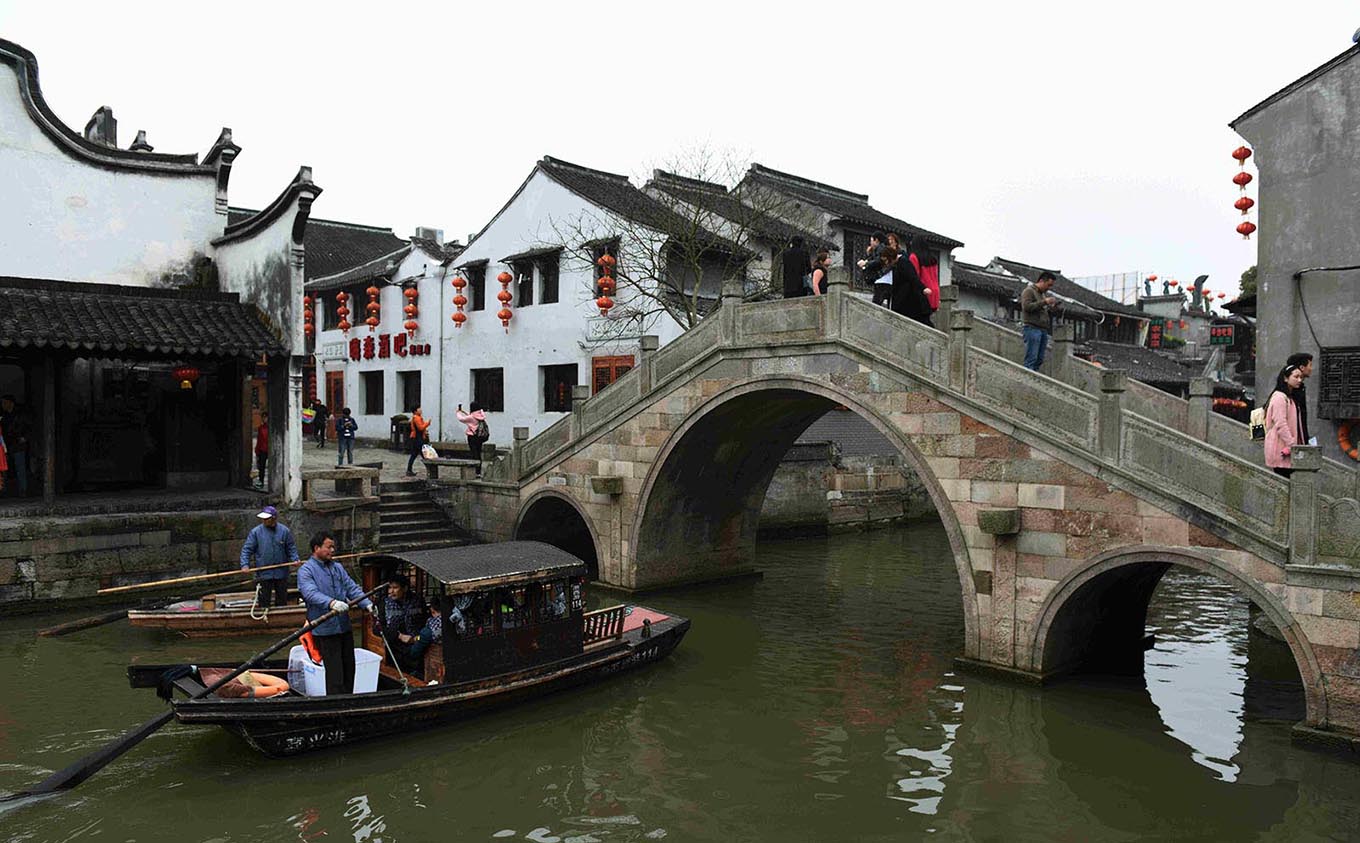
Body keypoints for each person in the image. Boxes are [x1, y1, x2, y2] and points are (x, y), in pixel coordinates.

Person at [297, 531, 375, 695]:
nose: (332, 550)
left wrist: (366, 603)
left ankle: (349, 699)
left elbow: (351, 588)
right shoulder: (306, 570)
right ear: (317, 548)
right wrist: (331, 603)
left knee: (349, 668)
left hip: (343, 626)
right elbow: (310, 593)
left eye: (333, 547)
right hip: (324, 629)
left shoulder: (337, 567)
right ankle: (336, 702)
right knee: (335, 674)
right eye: (328, 547)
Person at [239, 504, 300, 607]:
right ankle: (263, 616)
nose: (264, 521)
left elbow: (291, 548)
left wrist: (295, 559)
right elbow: (247, 550)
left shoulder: (284, 531)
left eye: (266, 518)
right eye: (263, 519)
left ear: (273, 518)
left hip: (281, 572)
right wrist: (245, 565)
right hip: (264, 572)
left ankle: (281, 616)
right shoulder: (256, 532)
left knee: (281, 599)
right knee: (264, 599)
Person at [1265, 364, 1306, 478]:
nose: (1299, 380)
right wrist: (1292, 444)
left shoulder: (1289, 397)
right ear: (1285, 378)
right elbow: (1281, 424)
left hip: (1287, 450)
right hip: (1281, 450)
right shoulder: (1279, 397)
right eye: (1296, 377)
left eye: (1301, 377)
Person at [375, 575, 425, 669]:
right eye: (390, 588)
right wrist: (399, 636)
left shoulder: (417, 601)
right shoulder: (384, 604)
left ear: (405, 588)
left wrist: (416, 638)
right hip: (394, 646)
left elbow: (424, 621)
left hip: (416, 642)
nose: (391, 591)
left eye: (395, 588)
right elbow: (377, 628)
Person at [1020, 272, 1059, 371]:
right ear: (1041, 281)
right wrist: (1044, 302)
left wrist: (1051, 307)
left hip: (1042, 329)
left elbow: (1040, 308)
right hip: (1032, 328)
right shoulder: (1029, 291)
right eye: (1048, 285)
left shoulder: (1042, 294)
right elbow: (1027, 307)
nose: (1049, 288)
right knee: (1031, 358)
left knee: (1039, 359)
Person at [887, 247, 932, 326]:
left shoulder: (904, 262)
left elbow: (913, 277)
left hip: (913, 301)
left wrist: (923, 288)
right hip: (905, 301)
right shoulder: (896, 265)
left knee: (923, 323)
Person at [402, 603, 444, 682]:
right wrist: (416, 638)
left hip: (436, 666)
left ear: (433, 611)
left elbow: (415, 651)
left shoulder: (430, 629)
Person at [0, 394, 30, 496]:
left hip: (17, 443)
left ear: (10, 403)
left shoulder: (20, 414)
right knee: (5, 468)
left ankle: (23, 490)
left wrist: (25, 437)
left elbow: (27, 426)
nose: (3, 404)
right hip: (6, 445)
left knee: (20, 466)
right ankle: (5, 491)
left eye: (4, 402)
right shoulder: (3, 416)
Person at [1285, 352, 1316, 447]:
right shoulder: (1287, 393)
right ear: (1302, 367)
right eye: (1310, 365)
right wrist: (1292, 443)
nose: (1311, 369)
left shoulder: (1300, 388)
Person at [457, 402, 488, 478]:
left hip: (472, 437)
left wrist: (458, 412)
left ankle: (474, 470)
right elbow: (471, 416)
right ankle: (478, 472)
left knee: (474, 453)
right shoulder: (481, 415)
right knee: (478, 453)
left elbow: (461, 419)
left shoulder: (471, 417)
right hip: (479, 437)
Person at [406, 406, 431, 476]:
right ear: (415, 411)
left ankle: (409, 470)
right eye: (418, 409)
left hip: (416, 438)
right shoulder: (416, 418)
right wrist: (427, 423)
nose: (420, 410)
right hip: (417, 439)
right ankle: (430, 469)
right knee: (424, 454)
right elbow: (420, 427)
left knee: (414, 455)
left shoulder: (417, 418)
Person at [254, 411, 269, 489]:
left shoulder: (271, 428)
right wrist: (257, 450)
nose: (264, 419)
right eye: (263, 417)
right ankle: (261, 482)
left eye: (265, 417)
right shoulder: (260, 428)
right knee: (261, 467)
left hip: (270, 450)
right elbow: (259, 440)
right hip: (262, 449)